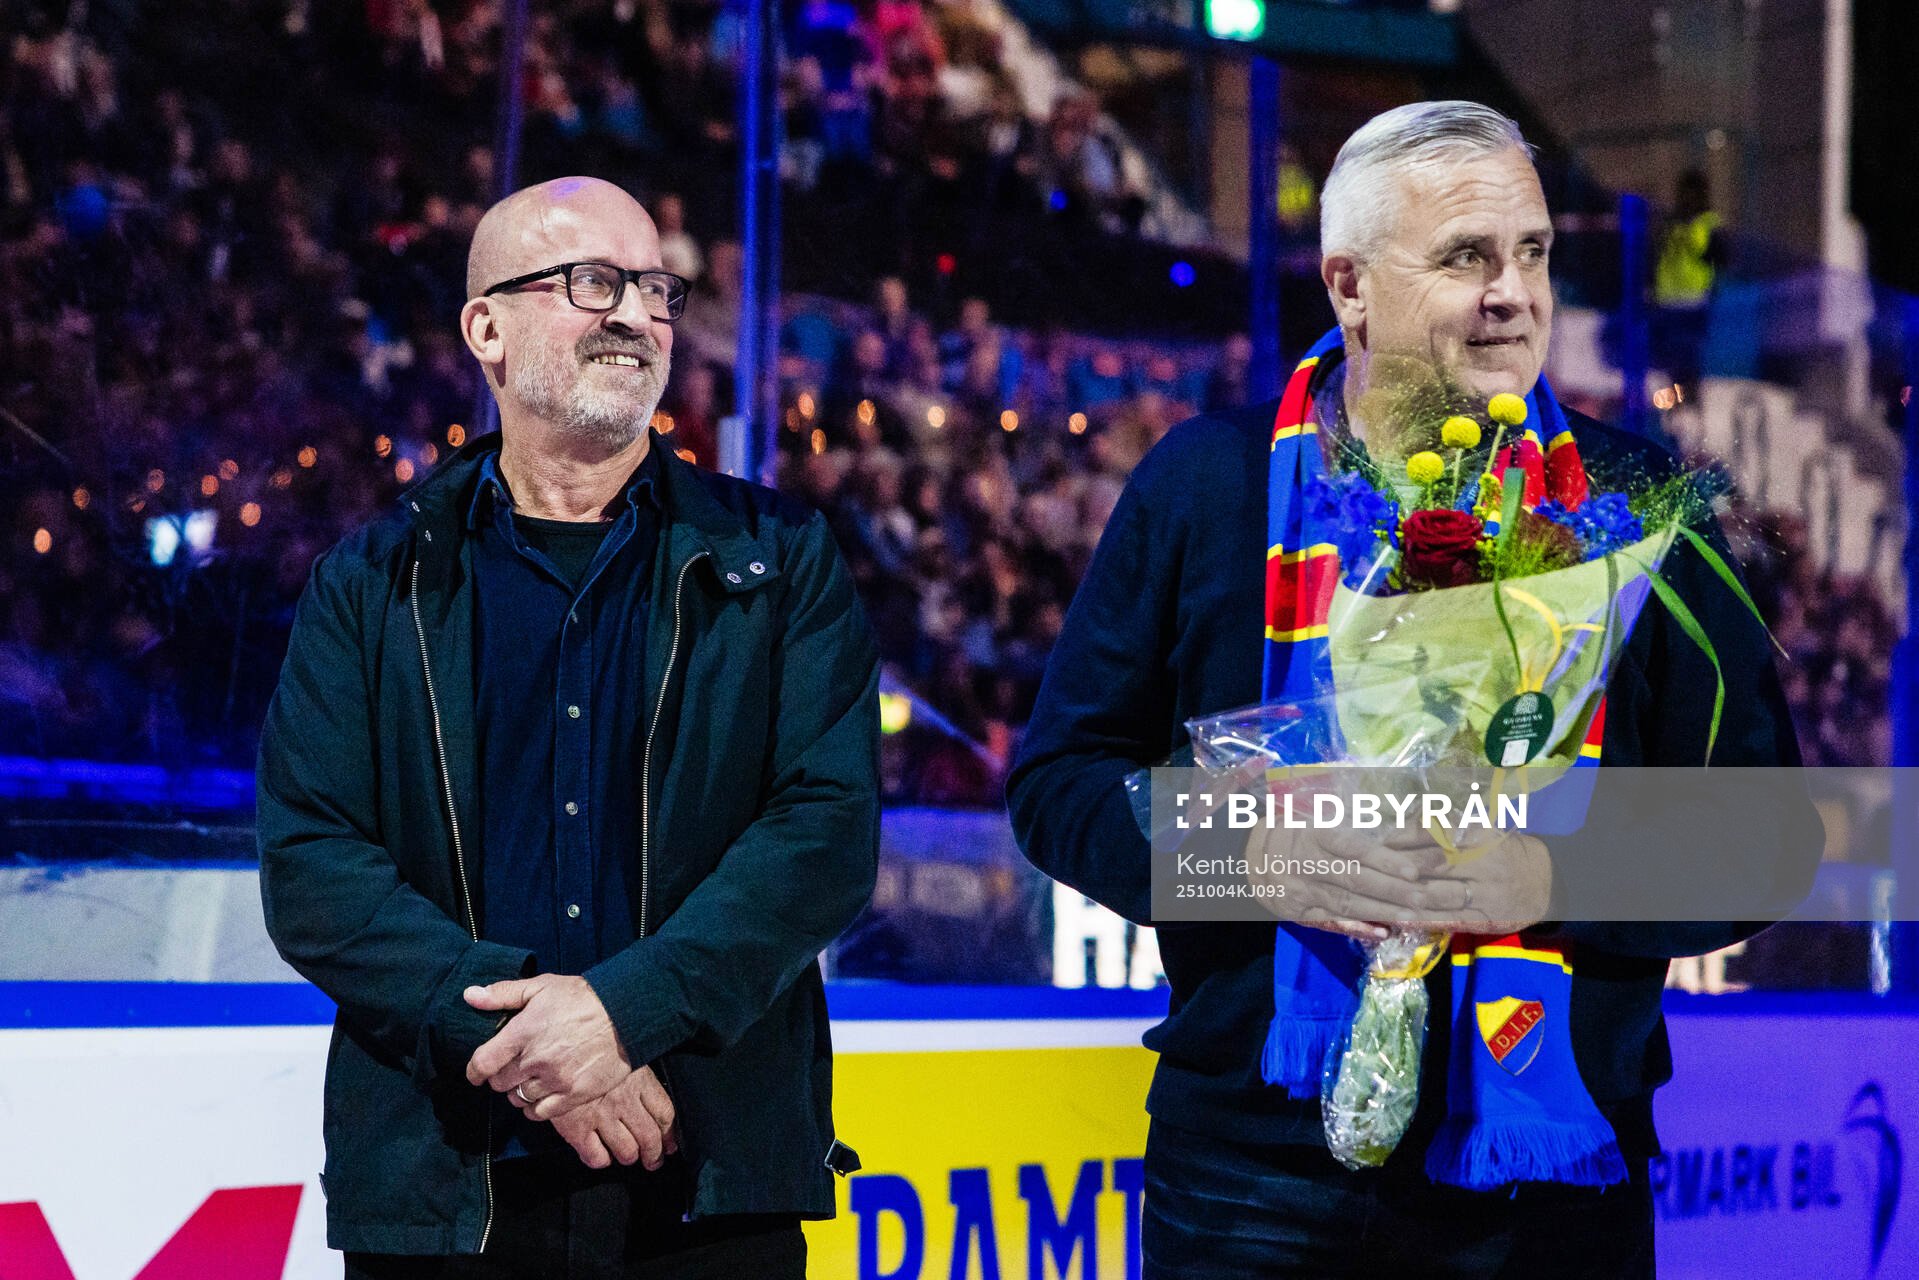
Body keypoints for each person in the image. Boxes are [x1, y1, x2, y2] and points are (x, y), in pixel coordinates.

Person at [1008, 102, 1811, 1277]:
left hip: (1549, 1179)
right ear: (1347, 286)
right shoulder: (1203, 485)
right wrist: (1252, 853)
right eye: (1464, 257)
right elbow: (1057, 786)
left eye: (1531, 251)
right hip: (1250, 1174)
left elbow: (1770, 834)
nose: (1514, 293)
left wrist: (1548, 869)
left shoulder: (1644, 506)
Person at [257, 176, 879, 1277]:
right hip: (444, 1186)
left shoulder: (779, 558)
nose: (635, 314)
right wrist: (546, 1047)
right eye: (592, 281)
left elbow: (821, 835)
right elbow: (314, 867)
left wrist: (626, 1012)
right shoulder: (369, 582)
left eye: (653, 288)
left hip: (708, 1172)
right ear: (485, 327)